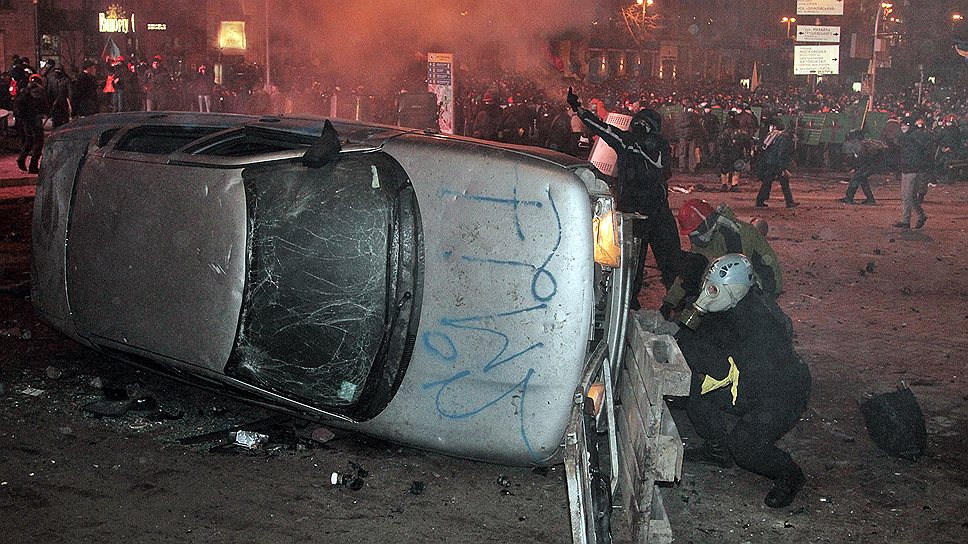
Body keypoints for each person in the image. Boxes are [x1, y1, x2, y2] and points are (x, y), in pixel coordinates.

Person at [674, 254, 811, 509]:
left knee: (744, 444)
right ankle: (717, 451)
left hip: (782, 391)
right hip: (748, 383)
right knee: (691, 386)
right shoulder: (727, 305)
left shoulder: (758, 325)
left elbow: (727, 373)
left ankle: (789, 474)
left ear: (733, 290)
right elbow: (689, 339)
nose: (707, 293)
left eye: (713, 289)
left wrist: (687, 382)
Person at [567, 87, 681, 309]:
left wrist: (578, 109)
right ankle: (677, 305)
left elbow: (601, 127)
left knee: (630, 266)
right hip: (659, 211)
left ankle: (628, 308)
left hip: (632, 215)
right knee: (671, 263)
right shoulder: (663, 146)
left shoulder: (626, 141)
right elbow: (665, 173)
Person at [662, 199, 782, 318]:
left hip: (764, 281)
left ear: (706, 223)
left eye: (695, 232)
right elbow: (688, 272)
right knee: (696, 267)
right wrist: (669, 302)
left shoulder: (734, 234)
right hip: (740, 277)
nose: (694, 238)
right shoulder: (706, 235)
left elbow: (737, 277)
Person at [894, 117, 934, 229]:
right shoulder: (907, 137)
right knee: (906, 196)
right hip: (906, 168)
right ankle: (906, 220)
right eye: (902, 124)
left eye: (906, 125)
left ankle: (919, 215)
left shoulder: (915, 136)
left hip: (914, 170)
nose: (903, 127)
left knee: (910, 196)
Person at [754, 119, 798, 208]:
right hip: (776, 163)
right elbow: (781, 153)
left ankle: (760, 200)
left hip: (771, 162)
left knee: (768, 182)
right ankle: (789, 202)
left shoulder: (780, 136)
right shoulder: (785, 138)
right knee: (783, 183)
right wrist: (783, 168)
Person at [838, 130, 888, 205]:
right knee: (862, 179)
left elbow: (862, 158)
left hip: (870, 165)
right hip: (873, 164)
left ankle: (849, 198)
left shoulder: (856, 144)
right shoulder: (863, 143)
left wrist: (856, 167)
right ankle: (869, 199)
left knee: (856, 179)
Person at [14, 74, 50, 174]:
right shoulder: (39, 91)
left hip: (25, 119)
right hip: (35, 119)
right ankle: (33, 166)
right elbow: (43, 105)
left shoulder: (25, 90)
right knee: (39, 142)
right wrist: (48, 112)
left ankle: (21, 158)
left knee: (29, 140)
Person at [676, 101, 702, 174]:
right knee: (685, 153)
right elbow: (679, 125)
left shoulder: (693, 116)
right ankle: (685, 168)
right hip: (686, 136)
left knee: (689, 153)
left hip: (688, 136)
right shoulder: (683, 115)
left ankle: (688, 168)